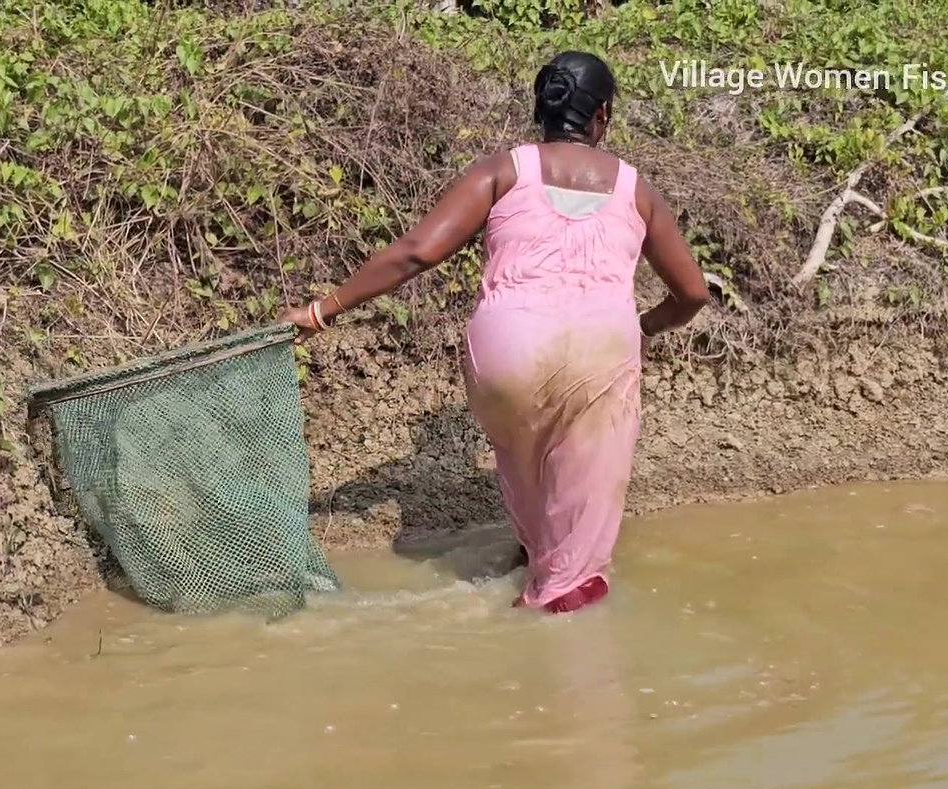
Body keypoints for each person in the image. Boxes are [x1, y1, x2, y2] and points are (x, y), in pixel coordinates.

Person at [279, 51, 710, 614]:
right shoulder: (637, 191)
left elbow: (415, 253)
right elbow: (693, 294)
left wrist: (320, 311)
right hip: (602, 350)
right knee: (582, 508)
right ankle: (562, 615)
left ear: (542, 110)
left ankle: (534, 561)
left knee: (523, 458)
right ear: (603, 114)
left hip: (509, 347)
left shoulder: (502, 170)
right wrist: (646, 325)